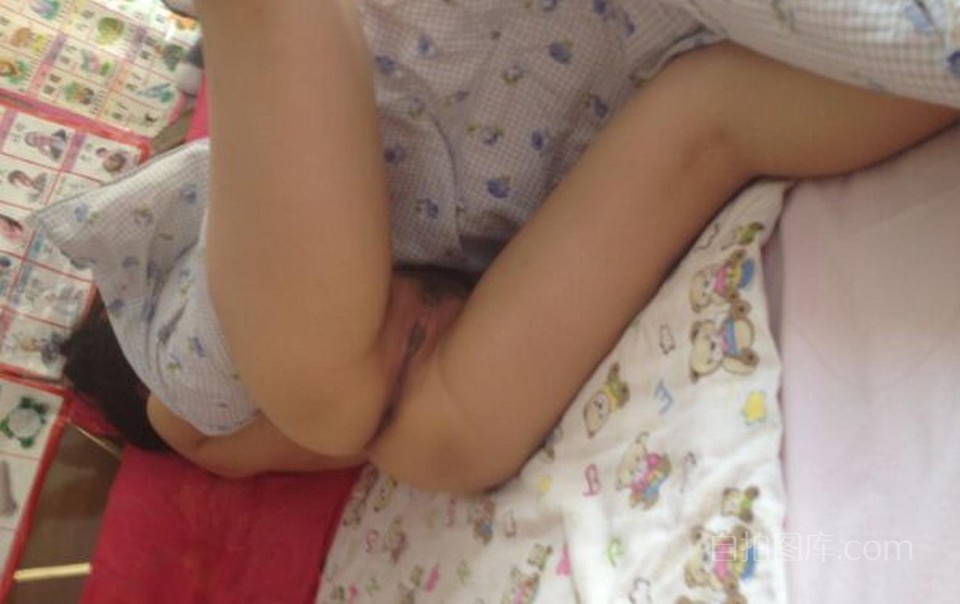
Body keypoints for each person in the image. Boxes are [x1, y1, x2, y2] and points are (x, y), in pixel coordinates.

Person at [61, 1, 956, 493]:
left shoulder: (205, 370)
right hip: (662, 78)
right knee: (411, 437)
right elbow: (703, 122)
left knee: (337, 414)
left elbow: (198, 428)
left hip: (444, 78)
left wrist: (271, 433)